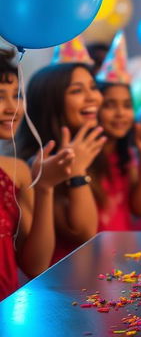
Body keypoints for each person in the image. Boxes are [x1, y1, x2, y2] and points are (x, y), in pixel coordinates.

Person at [0, 52, 75, 300]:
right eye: (0, 96)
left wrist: (44, 188)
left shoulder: (17, 171)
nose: (12, 107)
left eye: (17, 95)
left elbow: (36, 266)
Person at [16, 63, 108, 262]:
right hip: (58, 282)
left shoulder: (91, 148)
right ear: (51, 102)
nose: (93, 97)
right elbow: (85, 233)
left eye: (93, 87)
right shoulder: (36, 164)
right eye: (77, 91)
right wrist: (76, 172)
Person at [94, 32, 141, 230]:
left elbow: (140, 209)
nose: (121, 113)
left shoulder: (126, 155)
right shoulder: (86, 158)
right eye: (110, 105)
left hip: (122, 247)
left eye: (127, 105)